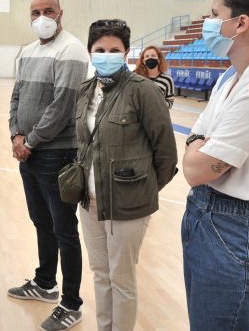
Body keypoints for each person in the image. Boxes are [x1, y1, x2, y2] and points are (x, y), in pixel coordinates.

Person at [76, 20, 177, 331]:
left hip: (127, 204)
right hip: (89, 202)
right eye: (100, 50)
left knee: (122, 278)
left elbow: (166, 153)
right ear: (91, 53)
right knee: (100, 272)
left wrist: (140, 188)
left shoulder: (144, 91)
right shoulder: (85, 91)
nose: (107, 55)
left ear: (126, 52)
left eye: (114, 50)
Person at [182, 0, 249, 331]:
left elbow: (196, 167)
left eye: (215, 15)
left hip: (236, 227)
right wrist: (201, 141)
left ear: (241, 23)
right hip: (208, 214)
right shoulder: (229, 77)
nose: (208, 24)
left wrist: (199, 144)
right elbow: (198, 136)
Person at [8, 0, 89, 331]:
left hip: (56, 153)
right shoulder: (27, 51)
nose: (41, 16)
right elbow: (16, 95)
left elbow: (62, 106)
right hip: (28, 150)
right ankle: (45, 283)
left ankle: (71, 303)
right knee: (41, 220)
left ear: (60, 13)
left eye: (48, 11)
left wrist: (32, 141)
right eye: (35, 12)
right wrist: (15, 133)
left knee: (64, 228)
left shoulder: (71, 50)